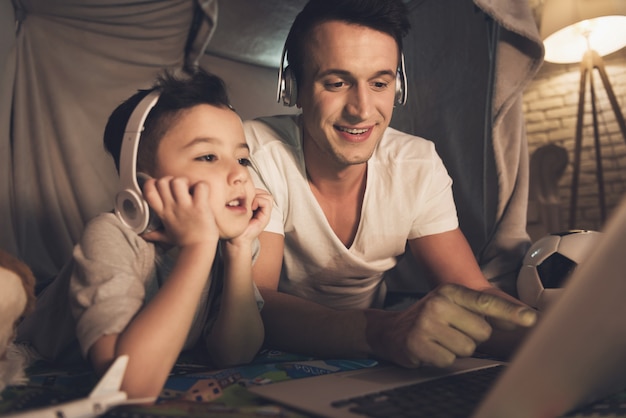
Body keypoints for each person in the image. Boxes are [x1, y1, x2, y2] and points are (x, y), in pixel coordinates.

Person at [244, 0, 537, 369]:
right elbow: (258, 303)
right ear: (294, 89)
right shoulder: (255, 149)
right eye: (336, 83)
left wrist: (555, 334)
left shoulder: (417, 164)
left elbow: (472, 291)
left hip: (371, 341)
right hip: (307, 345)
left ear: (397, 89)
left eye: (380, 83)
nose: (362, 110)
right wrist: (383, 332)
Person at [16, 69, 272, 399]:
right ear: (142, 186)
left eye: (242, 158)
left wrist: (238, 250)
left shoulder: (226, 244)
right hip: (28, 337)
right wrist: (198, 248)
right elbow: (127, 384)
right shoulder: (112, 236)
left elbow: (235, 355)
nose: (238, 173)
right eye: (208, 156)